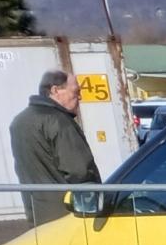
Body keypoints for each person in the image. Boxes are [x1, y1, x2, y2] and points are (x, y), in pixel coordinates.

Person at [10, 68, 99, 225]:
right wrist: (97, 201)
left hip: (36, 212)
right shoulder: (59, 121)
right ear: (55, 90)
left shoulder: (19, 121)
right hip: (67, 213)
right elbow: (79, 171)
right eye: (76, 91)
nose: (80, 97)